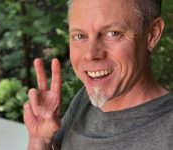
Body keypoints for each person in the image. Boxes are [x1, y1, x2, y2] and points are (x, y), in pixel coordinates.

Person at [23, 0, 173, 149]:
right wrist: (40, 141)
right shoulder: (86, 98)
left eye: (113, 33)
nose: (90, 54)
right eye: (80, 36)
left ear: (152, 34)